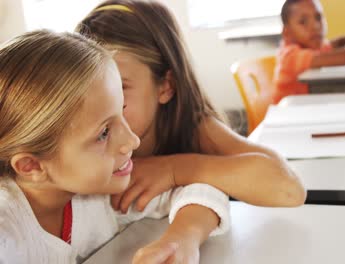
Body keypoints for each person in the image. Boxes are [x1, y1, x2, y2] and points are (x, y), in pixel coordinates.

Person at [0, 30, 230, 264]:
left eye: (122, 111)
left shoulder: (100, 193)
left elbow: (203, 191)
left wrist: (182, 239)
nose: (132, 141)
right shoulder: (7, 235)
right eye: (104, 133)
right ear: (32, 165)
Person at [76, 0, 306, 214]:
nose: (96, 107)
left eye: (118, 88)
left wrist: (174, 170)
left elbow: (288, 189)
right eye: (83, 89)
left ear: (166, 86)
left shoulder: (191, 128)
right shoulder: (77, 139)